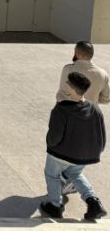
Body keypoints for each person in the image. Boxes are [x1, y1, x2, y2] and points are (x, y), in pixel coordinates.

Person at [39, 72, 107, 221]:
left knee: (52, 175)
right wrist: (95, 151)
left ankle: (55, 205)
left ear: (71, 88)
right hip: (84, 156)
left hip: (60, 155)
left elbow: (54, 137)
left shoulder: (61, 109)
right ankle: (93, 202)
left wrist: (50, 145)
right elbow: (102, 135)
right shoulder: (94, 108)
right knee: (75, 174)